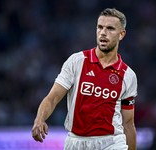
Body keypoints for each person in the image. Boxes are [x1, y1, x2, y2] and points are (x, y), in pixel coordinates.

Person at [32, 8, 137, 150]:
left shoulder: (128, 75)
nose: (103, 33)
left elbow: (128, 124)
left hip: (111, 143)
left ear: (121, 34)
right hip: (76, 142)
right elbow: (52, 98)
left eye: (110, 29)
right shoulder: (76, 61)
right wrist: (39, 119)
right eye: (100, 27)